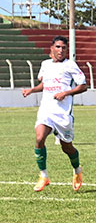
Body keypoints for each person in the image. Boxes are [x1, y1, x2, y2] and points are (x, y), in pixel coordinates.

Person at [21, 35, 88, 192]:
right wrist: (32, 90)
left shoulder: (70, 65)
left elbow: (83, 86)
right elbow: (45, 84)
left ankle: (77, 170)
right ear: (51, 49)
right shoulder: (45, 64)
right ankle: (44, 176)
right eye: (58, 47)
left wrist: (66, 93)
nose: (61, 50)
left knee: (67, 148)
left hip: (62, 114)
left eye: (64, 48)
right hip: (46, 110)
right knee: (39, 138)